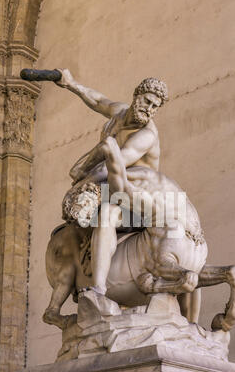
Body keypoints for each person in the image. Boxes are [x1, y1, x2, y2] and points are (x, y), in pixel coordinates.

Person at [54, 70, 168, 295]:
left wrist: (82, 185)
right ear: (137, 95)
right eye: (147, 101)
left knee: (107, 215)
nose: (150, 109)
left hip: (138, 198)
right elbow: (98, 100)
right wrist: (71, 83)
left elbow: (111, 166)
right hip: (113, 188)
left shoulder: (146, 135)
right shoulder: (120, 112)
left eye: (155, 106)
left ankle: (98, 288)